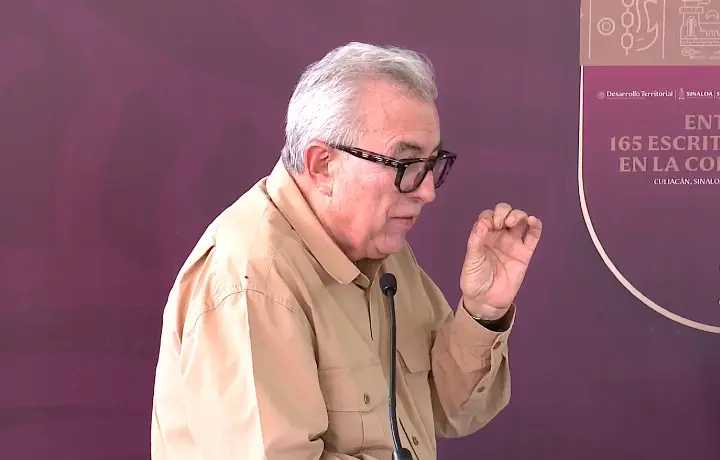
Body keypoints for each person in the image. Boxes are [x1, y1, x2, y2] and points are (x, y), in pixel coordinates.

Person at [150, 42, 542, 460]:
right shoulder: (252, 278)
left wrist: (482, 310)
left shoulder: (383, 250)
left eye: (432, 163)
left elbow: (447, 412)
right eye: (406, 165)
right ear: (323, 165)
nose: (427, 191)